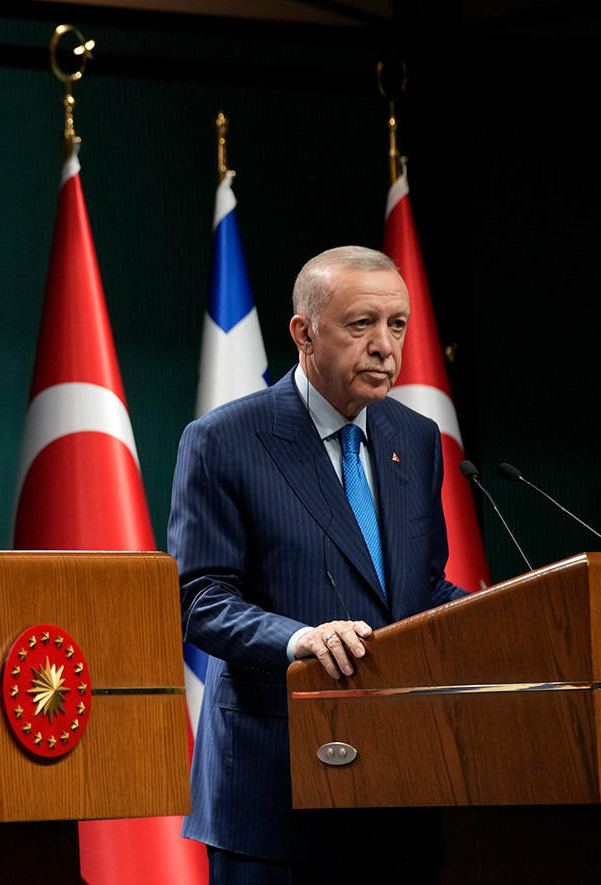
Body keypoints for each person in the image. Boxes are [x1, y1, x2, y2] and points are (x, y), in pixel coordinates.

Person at [170, 246, 467, 883]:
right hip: (276, 795)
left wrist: (495, 617)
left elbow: (422, 586)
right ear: (304, 333)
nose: (385, 346)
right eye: (362, 324)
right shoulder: (224, 439)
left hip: (401, 790)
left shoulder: (415, 438)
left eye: (397, 325)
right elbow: (199, 599)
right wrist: (299, 639)